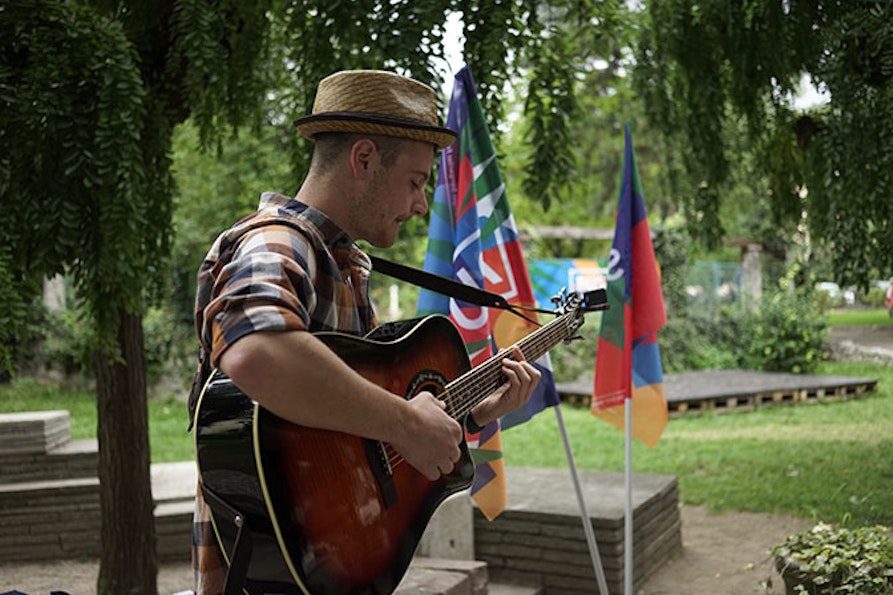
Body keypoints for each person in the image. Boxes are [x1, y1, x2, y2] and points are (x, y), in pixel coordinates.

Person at [190, 70, 542, 594]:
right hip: (265, 572)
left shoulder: (342, 261)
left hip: (319, 564)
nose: (421, 204)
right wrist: (406, 422)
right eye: (415, 181)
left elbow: (350, 427)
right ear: (364, 160)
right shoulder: (280, 244)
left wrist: (466, 414)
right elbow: (255, 351)